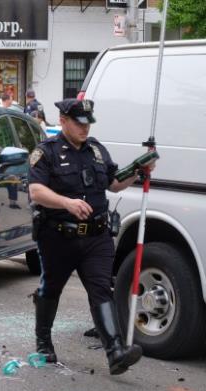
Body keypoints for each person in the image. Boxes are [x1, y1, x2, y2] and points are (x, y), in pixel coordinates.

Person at [28, 98, 155, 375]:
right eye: (78, 123)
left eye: (88, 123)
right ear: (63, 121)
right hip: (58, 237)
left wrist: (138, 171)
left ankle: (116, 352)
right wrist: (67, 203)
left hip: (96, 236)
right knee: (51, 289)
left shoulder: (96, 150)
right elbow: (36, 191)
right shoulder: (46, 152)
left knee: (100, 289)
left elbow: (114, 183)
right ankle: (43, 342)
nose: (84, 129)